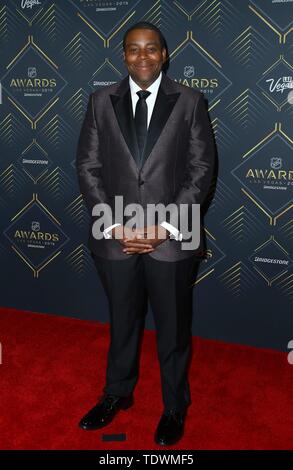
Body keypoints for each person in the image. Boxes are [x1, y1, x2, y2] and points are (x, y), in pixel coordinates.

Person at [76, 21, 215, 446]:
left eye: (151, 49)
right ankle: (117, 393)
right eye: (133, 49)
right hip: (114, 235)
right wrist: (116, 224)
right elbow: (88, 167)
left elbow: (201, 169)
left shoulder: (190, 101)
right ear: (123, 55)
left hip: (172, 237)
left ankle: (174, 405)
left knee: (173, 328)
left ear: (164, 54)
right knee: (123, 322)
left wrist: (165, 227)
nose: (142, 57)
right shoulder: (101, 101)